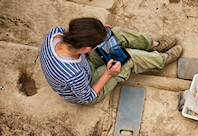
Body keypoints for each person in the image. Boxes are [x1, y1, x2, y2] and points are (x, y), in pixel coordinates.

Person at [39, 17, 182, 104]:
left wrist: (100, 32)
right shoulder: (73, 74)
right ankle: (161, 60)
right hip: (88, 86)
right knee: (127, 59)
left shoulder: (55, 33)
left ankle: (153, 44)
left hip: (83, 62)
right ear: (88, 47)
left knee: (115, 34)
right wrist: (108, 73)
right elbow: (87, 97)